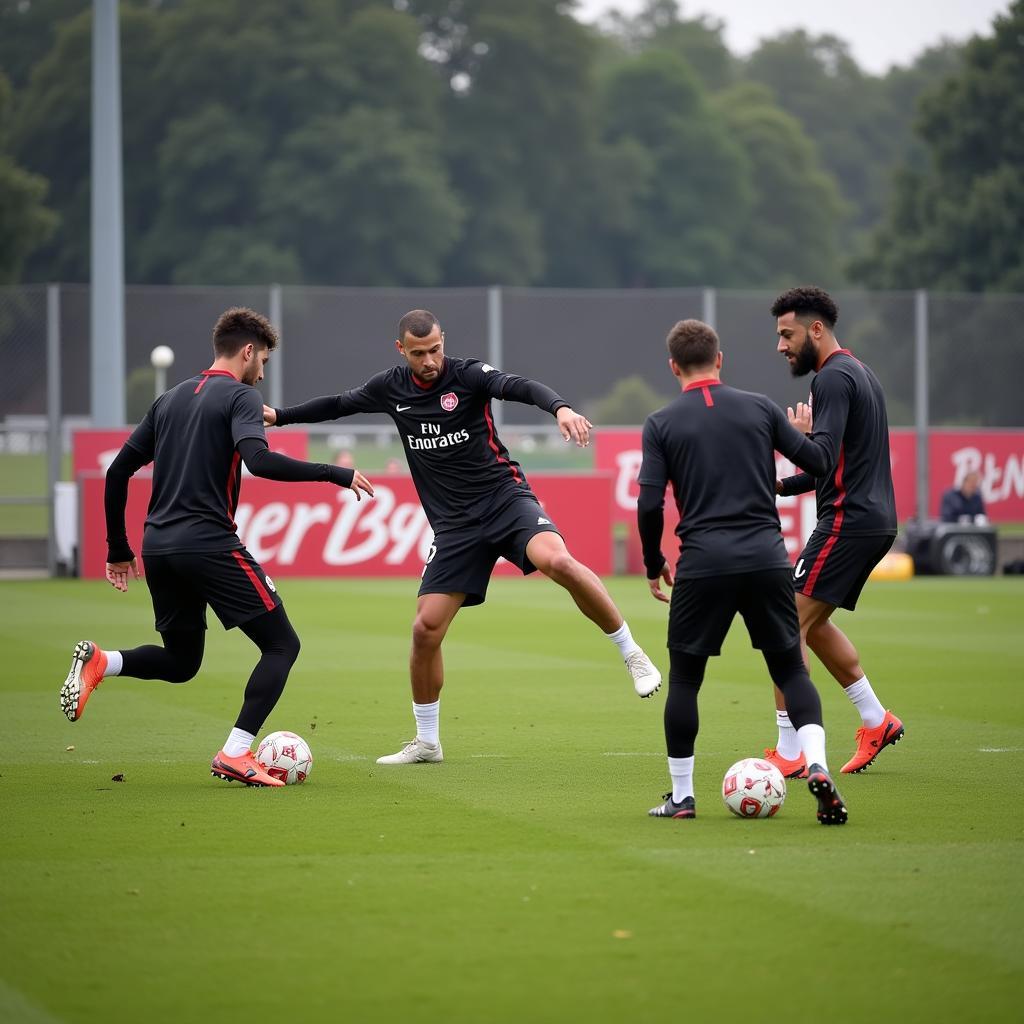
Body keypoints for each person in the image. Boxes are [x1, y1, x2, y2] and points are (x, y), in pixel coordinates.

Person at [264, 308, 662, 765]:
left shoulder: (468, 375)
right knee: (424, 629)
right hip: (454, 527)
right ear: (401, 351)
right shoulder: (390, 387)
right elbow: (338, 405)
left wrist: (561, 407)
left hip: (504, 500)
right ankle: (428, 742)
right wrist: (280, 415)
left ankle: (631, 653)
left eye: (434, 349)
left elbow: (520, 386)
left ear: (442, 341)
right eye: (418, 353)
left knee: (559, 562)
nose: (429, 360)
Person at [59, 307, 374, 787]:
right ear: (247, 351)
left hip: (159, 546)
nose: (262, 371)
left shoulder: (169, 399)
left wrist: (117, 548)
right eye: (263, 360)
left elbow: (117, 471)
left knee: (182, 662)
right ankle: (236, 752)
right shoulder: (241, 396)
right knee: (282, 644)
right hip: (208, 543)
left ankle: (105, 661)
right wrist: (335, 472)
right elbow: (260, 461)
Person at [638, 318, 847, 824]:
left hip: (703, 564)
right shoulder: (759, 407)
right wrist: (806, 431)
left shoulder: (661, 423)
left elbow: (649, 505)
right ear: (720, 359)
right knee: (791, 670)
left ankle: (683, 798)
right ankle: (816, 764)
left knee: (686, 681)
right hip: (765, 559)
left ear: (673, 367)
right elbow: (821, 461)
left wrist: (653, 562)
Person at [768, 286, 904, 777]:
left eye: (787, 334)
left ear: (816, 329)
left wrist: (793, 439)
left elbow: (821, 455)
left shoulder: (831, 380)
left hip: (848, 519)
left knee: (783, 625)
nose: (781, 346)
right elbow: (833, 465)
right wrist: (781, 483)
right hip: (872, 519)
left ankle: (791, 749)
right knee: (813, 624)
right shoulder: (860, 372)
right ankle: (876, 719)